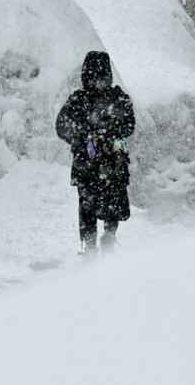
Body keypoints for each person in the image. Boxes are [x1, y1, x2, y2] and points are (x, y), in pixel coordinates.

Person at [56, 52, 136, 255]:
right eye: (94, 78)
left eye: (101, 78)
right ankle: (89, 246)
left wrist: (110, 132)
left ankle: (108, 237)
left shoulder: (118, 98)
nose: (98, 83)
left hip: (112, 161)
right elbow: (62, 126)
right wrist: (83, 136)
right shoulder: (78, 100)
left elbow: (129, 125)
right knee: (88, 205)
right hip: (88, 163)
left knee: (112, 202)